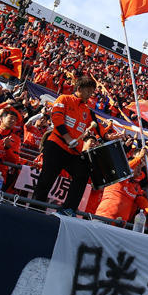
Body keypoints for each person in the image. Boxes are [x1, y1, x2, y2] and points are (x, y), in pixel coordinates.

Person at [32, 76, 96, 214]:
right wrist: (68, 138)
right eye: (88, 92)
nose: (90, 95)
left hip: (73, 152)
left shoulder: (87, 110)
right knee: (47, 179)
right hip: (56, 146)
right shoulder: (63, 99)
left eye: (92, 93)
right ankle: (35, 210)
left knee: (82, 173)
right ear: (79, 89)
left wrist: (108, 135)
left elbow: (97, 128)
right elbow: (57, 118)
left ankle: (68, 209)